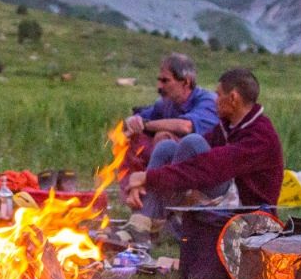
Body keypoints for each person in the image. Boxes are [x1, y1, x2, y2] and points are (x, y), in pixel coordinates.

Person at [110, 68, 284, 248]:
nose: (215, 100)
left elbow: (208, 168)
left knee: (192, 142)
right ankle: (141, 224)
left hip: (249, 216)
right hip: (224, 198)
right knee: (166, 148)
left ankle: (160, 219)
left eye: (218, 94)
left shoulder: (260, 136)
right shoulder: (228, 127)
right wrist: (147, 180)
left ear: (233, 98)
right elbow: (199, 163)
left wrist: (146, 177)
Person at [121, 53, 219, 175]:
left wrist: (145, 125)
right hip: (183, 167)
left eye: (165, 81)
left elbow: (186, 126)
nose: (159, 86)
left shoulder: (208, 100)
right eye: (159, 80)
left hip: (211, 169)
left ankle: (161, 189)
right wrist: (133, 121)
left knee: (164, 137)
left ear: (186, 82)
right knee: (132, 136)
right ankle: (134, 188)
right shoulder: (166, 103)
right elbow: (141, 117)